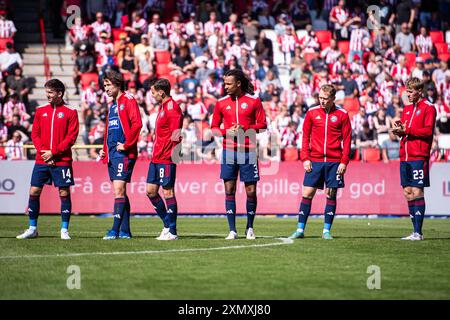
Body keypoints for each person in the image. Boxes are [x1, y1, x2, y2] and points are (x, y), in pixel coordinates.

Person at [16, 79, 79, 240]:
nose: (47, 95)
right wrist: (45, 153)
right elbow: (35, 134)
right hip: (42, 159)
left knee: (64, 192)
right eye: (46, 92)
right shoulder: (40, 111)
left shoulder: (71, 111)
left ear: (59, 93)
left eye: (50, 92)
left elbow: (71, 137)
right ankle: (32, 228)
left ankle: (64, 230)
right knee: (34, 191)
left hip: (62, 160)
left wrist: (54, 152)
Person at [289, 84, 352, 240]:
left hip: (334, 162)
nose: (322, 101)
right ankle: (300, 229)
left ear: (333, 99)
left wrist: (344, 162)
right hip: (315, 161)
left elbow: (347, 140)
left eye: (326, 98)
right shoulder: (311, 112)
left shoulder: (342, 114)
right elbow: (305, 137)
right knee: (307, 193)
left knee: (331, 194)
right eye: (320, 98)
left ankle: (326, 231)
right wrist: (305, 158)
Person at [211, 69, 267, 240]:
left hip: (248, 151)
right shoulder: (220, 103)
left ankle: (250, 227)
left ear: (238, 84)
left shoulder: (254, 101)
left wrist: (246, 129)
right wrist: (226, 132)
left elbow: (263, 125)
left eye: (228, 84)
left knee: (250, 191)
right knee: (229, 189)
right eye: (225, 83)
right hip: (229, 151)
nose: (225, 86)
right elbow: (213, 127)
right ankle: (232, 230)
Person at [392, 77, 437, 240]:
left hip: (419, 155)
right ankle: (414, 231)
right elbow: (406, 130)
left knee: (417, 191)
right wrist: (399, 130)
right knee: (408, 192)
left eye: (410, 92)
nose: (408, 94)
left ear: (419, 91)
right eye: (407, 91)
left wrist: (407, 130)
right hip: (405, 155)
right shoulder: (407, 109)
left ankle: (418, 232)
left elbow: (427, 131)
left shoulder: (429, 108)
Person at [99, 70, 143, 240]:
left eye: (108, 85)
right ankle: (125, 231)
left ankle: (114, 230)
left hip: (123, 153)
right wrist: (104, 149)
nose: (106, 89)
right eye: (104, 86)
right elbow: (109, 131)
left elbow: (137, 124)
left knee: (119, 190)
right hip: (112, 154)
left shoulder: (128, 100)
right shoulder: (112, 105)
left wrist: (127, 144)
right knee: (120, 192)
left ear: (118, 84)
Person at [146, 78, 183, 240]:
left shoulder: (172, 107)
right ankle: (167, 224)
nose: (152, 96)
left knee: (168, 192)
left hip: (166, 157)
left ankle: (172, 231)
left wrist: (171, 154)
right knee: (150, 191)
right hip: (156, 157)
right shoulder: (162, 107)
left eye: (153, 92)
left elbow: (176, 134)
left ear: (161, 92)